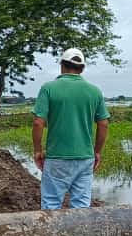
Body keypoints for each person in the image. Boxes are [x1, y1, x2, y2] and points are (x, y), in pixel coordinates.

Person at [31, 48, 110, 209]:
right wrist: (97, 152)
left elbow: (38, 122)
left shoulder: (48, 88)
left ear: (62, 65)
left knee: (51, 205)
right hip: (85, 158)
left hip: (56, 158)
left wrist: (38, 151)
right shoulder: (94, 91)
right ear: (82, 68)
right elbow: (103, 124)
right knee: (81, 207)